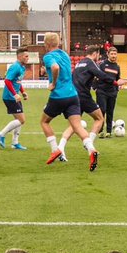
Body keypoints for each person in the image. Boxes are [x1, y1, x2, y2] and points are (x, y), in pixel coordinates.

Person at [40, 32, 99, 170]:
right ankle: (92, 150)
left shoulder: (48, 56)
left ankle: (55, 150)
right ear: (58, 43)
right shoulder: (65, 55)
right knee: (77, 126)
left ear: (47, 44)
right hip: (73, 95)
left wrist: (53, 83)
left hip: (58, 96)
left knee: (44, 121)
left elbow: (55, 67)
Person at [58, 44, 121, 164]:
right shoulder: (91, 63)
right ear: (95, 54)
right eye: (98, 54)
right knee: (99, 118)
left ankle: (60, 148)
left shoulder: (79, 63)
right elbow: (101, 75)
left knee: (74, 125)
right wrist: (116, 83)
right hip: (83, 96)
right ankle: (89, 144)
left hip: (73, 95)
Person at [0, 48, 29, 150]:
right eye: (26, 56)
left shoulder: (22, 67)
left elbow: (17, 81)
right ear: (19, 56)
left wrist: (23, 92)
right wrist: (15, 94)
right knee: (21, 120)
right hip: (9, 97)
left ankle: (15, 143)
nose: (28, 58)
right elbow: (7, 81)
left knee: (18, 120)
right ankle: (1, 134)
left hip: (14, 97)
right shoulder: (15, 67)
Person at [95, 47, 123, 138]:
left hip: (112, 93)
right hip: (102, 91)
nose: (114, 56)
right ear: (108, 54)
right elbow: (97, 76)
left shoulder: (117, 67)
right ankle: (100, 130)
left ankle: (109, 131)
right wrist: (95, 88)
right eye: (112, 54)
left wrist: (117, 89)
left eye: (115, 54)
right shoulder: (102, 65)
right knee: (102, 110)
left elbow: (117, 78)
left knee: (110, 112)